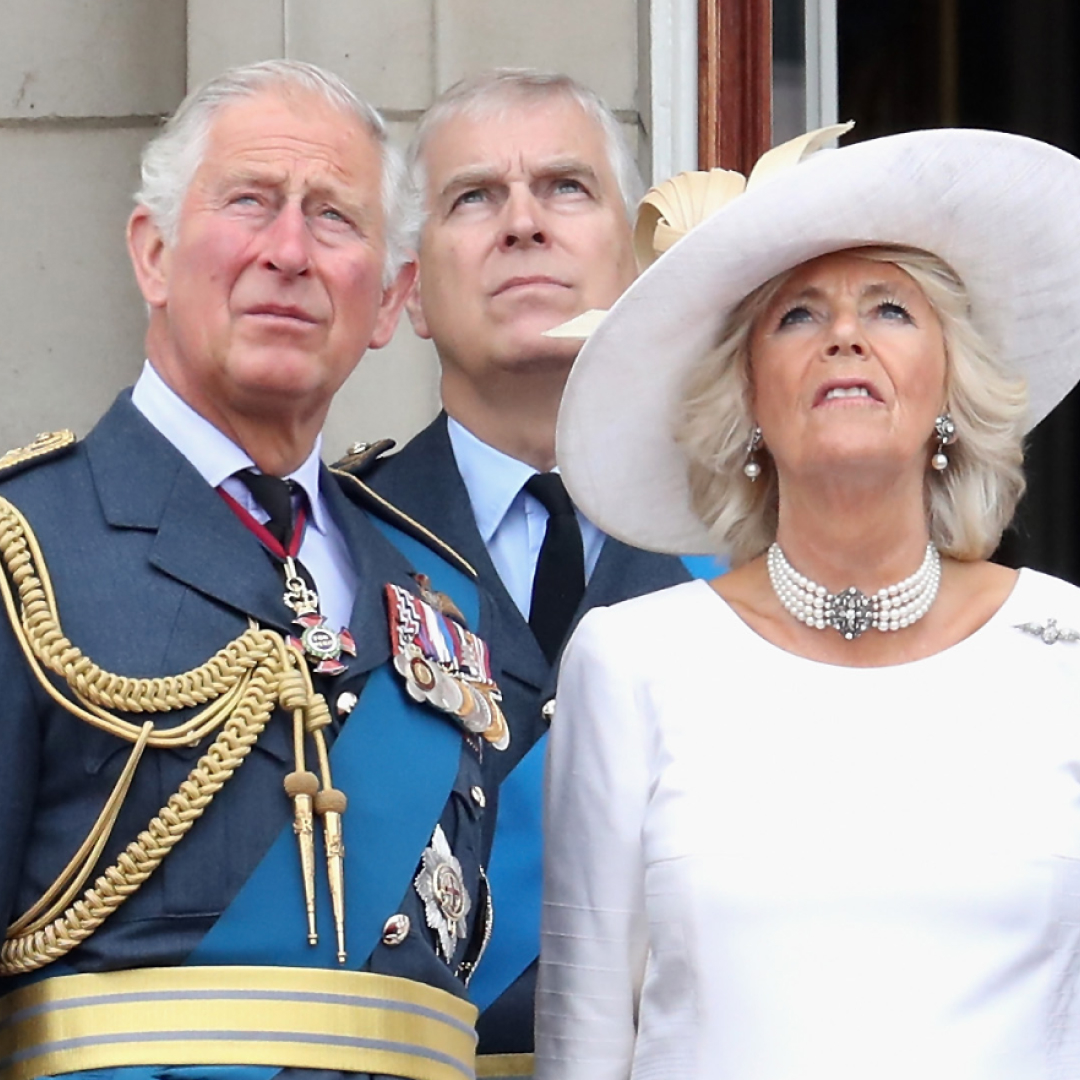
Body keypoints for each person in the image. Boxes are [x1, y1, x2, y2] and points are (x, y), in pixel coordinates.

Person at [535, 126, 1080, 1080]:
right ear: (746, 399)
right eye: (796, 316)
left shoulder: (1065, 648)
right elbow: (585, 1036)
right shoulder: (632, 660)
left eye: (890, 308)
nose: (845, 335)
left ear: (948, 382)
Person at [0, 60, 507, 1080]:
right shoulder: (27, 548)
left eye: (335, 219)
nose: (289, 251)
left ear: (389, 299)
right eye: (250, 202)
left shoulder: (432, 593)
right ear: (153, 253)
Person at [349, 70, 703, 1073]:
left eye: (566, 187)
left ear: (633, 271)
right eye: (475, 197)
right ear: (410, 295)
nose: (522, 225)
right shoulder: (331, 552)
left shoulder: (753, 553)